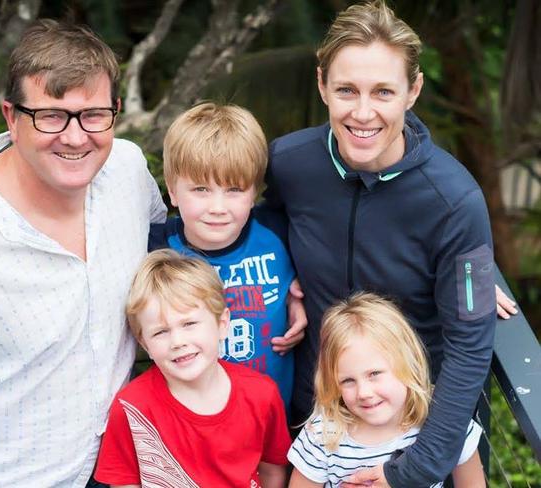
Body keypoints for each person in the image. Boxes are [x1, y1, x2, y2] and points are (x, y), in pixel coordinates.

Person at [0, 19, 165, 487]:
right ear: (10, 117)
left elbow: (177, 245)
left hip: (116, 472)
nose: (76, 137)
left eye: (94, 114)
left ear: (115, 110)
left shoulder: (127, 172)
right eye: (52, 116)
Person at [263, 1, 497, 486]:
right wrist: (285, 279)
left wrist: (409, 472)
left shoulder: (455, 202)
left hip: (419, 438)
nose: (363, 112)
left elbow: (470, 347)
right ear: (323, 82)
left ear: (413, 91)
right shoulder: (288, 164)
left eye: (383, 92)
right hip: (318, 430)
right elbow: (250, 226)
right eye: (347, 89)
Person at [148, 102, 305, 409]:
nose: (217, 207)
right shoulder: (156, 248)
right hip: (194, 424)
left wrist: (301, 294)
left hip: (272, 422)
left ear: (254, 191)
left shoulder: (279, 231)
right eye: (201, 190)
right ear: (172, 190)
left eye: (234, 189)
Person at [93, 249, 291, 487]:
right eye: (160, 332)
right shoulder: (132, 407)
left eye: (189, 324)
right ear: (144, 342)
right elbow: (124, 483)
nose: (178, 342)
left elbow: (272, 471)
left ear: (222, 324)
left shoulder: (261, 394)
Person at [287, 292, 485, 488]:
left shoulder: (444, 422)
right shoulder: (322, 434)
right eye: (348, 380)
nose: (363, 392)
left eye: (374, 373)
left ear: (408, 363)